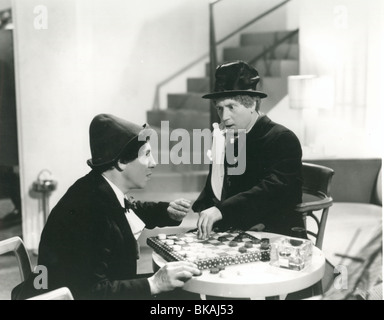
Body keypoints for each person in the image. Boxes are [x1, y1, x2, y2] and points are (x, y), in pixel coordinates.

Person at [12, 113, 201, 300]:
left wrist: (166, 211)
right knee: (184, 295)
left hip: (93, 287)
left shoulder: (98, 186)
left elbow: (128, 211)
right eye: (147, 155)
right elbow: (89, 291)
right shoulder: (89, 211)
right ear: (121, 162)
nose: (154, 163)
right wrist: (154, 283)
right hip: (75, 296)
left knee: (183, 289)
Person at [193, 60, 304, 239]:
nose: (224, 116)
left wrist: (221, 211)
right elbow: (216, 185)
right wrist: (204, 208)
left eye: (231, 107)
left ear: (252, 104)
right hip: (233, 229)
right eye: (220, 108)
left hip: (275, 234)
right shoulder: (229, 137)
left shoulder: (282, 138)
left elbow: (273, 192)